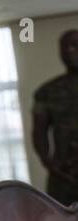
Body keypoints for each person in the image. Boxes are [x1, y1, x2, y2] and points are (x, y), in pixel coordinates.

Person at [31, 29, 78, 206]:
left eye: (75, 45)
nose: (69, 51)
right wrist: (48, 162)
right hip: (64, 175)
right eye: (64, 47)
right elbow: (39, 132)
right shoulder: (47, 92)